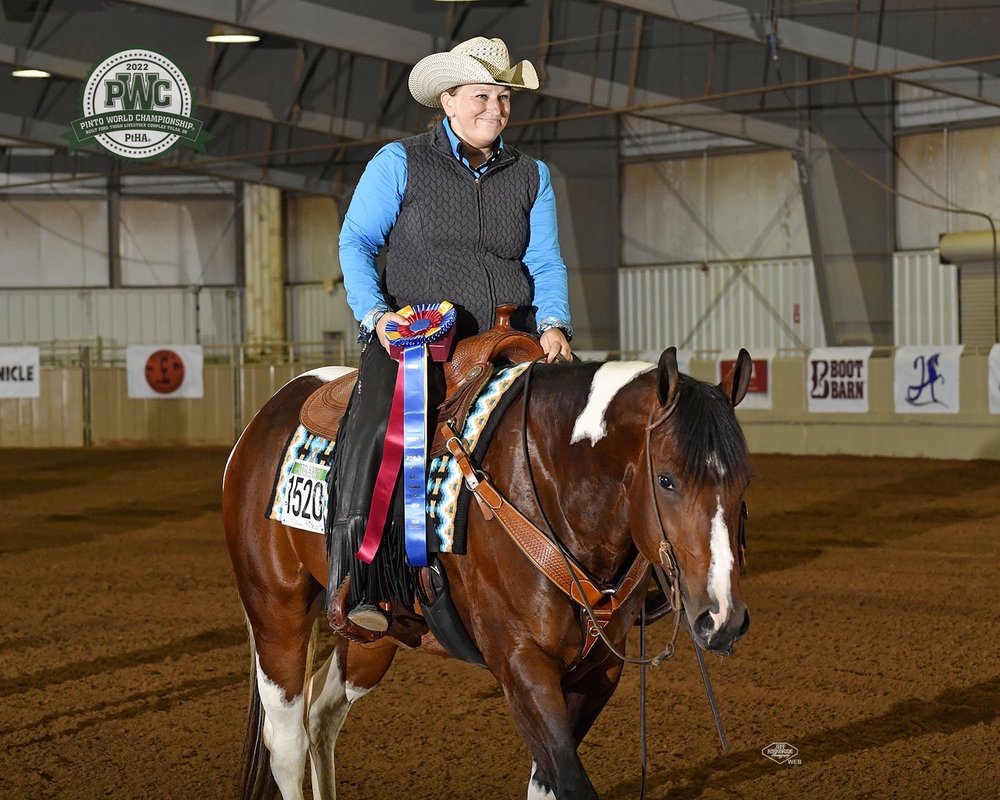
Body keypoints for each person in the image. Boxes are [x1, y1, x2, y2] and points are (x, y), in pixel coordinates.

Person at [328, 36, 574, 634]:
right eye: (482, 96)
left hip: (511, 335)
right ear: (448, 100)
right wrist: (377, 316)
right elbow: (357, 242)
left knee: (580, 427)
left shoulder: (532, 175)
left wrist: (554, 324)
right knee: (376, 429)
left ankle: (599, 573)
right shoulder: (398, 162)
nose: (496, 108)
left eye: (504, 97)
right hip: (412, 337)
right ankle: (362, 576)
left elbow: (545, 261)